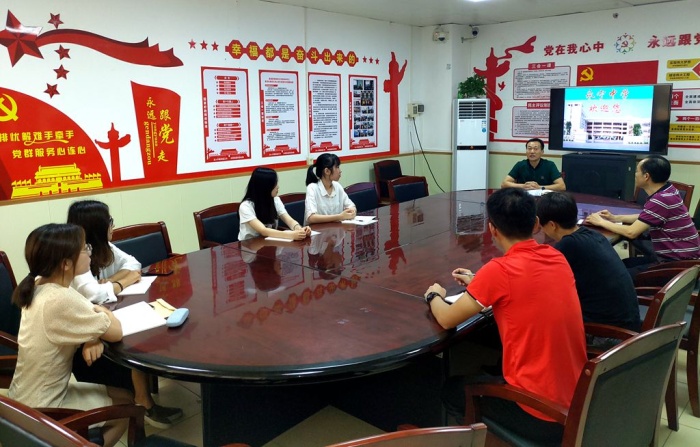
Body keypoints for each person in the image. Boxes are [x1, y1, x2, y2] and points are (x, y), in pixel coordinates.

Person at [424, 188, 586, 444]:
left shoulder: (499, 271)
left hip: (542, 414)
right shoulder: (556, 257)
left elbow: (446, 318)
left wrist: (434, 295)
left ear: (492, 229)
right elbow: (525, 292)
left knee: (452, 390)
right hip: (579, 399)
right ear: (536, 224)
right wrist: (480, 284)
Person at [9, 224, 130, 447]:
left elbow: (80, 316)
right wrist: (103, 314)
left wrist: (93, 336)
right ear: (66, 264)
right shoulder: (59, 299)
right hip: (44, 409)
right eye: (85, 248)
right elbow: (116, 331)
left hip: (23, 398)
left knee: (120, 394)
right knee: (127, 408)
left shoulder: (38, 284)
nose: (89, 252)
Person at [67, 200, 183, 429]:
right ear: (98, 227)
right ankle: (143, 402)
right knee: (133, 338)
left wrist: (111, 281)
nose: (113, 225)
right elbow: (92, 294)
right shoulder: (76, 256)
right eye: (109, 221)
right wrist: (122, 283)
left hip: (96, 322)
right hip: (82, 341)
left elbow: (133, 264)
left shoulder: (103, 248)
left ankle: (141, 397)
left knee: (142, 328)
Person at [537, 192, 641, 334]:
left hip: (610, 335)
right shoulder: (592, 234)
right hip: (629, 324)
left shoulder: (568, 245)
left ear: (552, 225)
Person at [586, 155, 700, 277]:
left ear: (646, 176)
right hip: (678, 257)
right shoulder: (668, 190)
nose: (635, 174)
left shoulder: (660, 199)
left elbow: (631, 232)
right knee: (622, 264)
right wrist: (615, 218)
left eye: (637, 171)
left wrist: (601, 222)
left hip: (677, 265)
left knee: (616, 276)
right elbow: (646, 215)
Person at [239, 167, 311, 241]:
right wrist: (291, 235)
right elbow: (263, 230)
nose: (278, 187)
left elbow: (289, 220)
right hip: (250, 245)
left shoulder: (275, 200)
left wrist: (300, 229)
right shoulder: (246, 206)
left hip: (270, 243)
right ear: (265, 187)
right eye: (274, 184)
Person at [304, 153, 356, 225]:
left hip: (336, 229)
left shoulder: (337, 186)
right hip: (317, 231)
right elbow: (311, 217)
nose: (340, 171)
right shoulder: (312, 188)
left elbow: (351, 206)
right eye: (337, 167)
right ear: (327, 171)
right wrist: (340, 216)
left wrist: (352, 211)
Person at [501, 138, 566, 191]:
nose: (532, 152)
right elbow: (504, 184)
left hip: (544, 199)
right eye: (529, 148)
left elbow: (562, 186)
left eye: (535, 149)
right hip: (524, 198)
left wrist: (540, 187)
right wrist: (523, 186)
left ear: (542, 152)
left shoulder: (549, 165)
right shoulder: (520, 165)